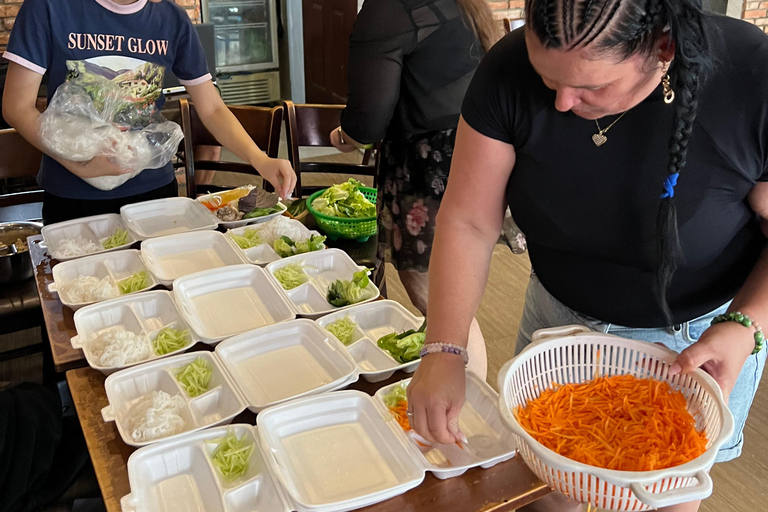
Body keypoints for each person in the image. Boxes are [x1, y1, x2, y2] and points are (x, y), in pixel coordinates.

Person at [406, 0, 768, 510]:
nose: (561, 102)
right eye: (546, 77)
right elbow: (468, 219)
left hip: (697, 346)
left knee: (660, 498)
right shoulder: (508, 72)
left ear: (662, 46)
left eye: (592, 86)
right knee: (542, 493)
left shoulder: (752, 76)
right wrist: (445, 347)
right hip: (556, 324)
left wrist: (747, 324)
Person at [1, 0, 295, 225]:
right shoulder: (48, 7)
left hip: (153, 194)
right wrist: (80, 164)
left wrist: (261, 159)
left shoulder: (172, 18)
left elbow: (212, 107)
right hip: (73, 196)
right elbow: (16, 106)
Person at [329, 0, 500, 377]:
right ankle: (464, 405)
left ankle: (465, 411)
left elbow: (368, 120)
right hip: (476, 154)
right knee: (456, 302)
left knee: (443, 310)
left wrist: (344, 136)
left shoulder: (387, 11)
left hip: (427, 170)